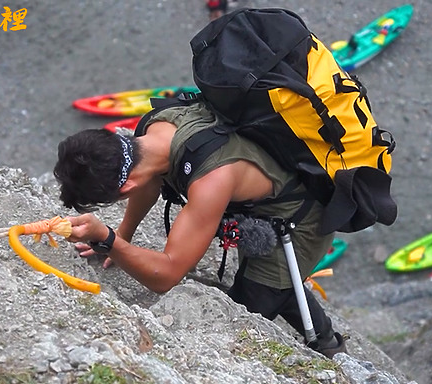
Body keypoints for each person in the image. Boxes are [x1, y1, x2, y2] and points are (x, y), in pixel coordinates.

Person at [53, 101, 348, 358]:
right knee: (268, 286)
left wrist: (108, 239)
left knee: (245, 312)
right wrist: (124, 233)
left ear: (125, 185)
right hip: (260, 199)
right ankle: (317, 328)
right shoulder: (154, 126)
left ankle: (329, 346)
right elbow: (149, 181)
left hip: (300, 220)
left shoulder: (210, 179)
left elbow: (166, 275)